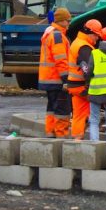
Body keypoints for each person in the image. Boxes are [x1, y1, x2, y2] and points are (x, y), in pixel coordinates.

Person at [38, 7, 72, 138]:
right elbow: (61, 59)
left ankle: (50, 132)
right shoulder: (58, 36)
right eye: (68, 20)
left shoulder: (50, 34)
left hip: (48, 79)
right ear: (61, 21)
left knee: (52, 107)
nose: (69, 23)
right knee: (61, 108)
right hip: (57, 79)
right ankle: (61, 134)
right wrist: (66, 79)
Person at [67, 18, 103, 140]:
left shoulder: (78, 42)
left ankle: (76, 140)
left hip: (73, 86)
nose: (97, 38)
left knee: (79, 114)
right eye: (96, 35)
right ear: (90, 33)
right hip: (81, 86)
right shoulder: (85, 47)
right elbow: (86, 68)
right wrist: (90, 83)